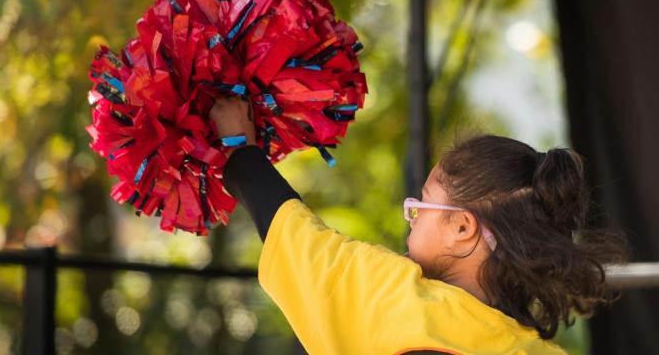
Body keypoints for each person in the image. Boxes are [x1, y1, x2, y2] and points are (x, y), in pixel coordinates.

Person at [209, 96, 631, 354]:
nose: (410, 217)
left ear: (462, 228)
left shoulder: (398, 299)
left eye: (422, 204)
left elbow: (297, 235)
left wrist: (239, 147)